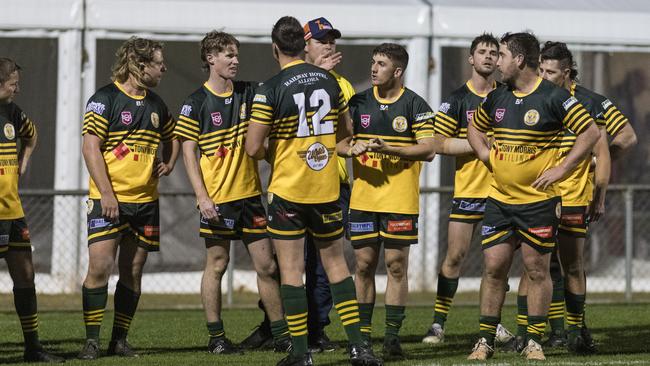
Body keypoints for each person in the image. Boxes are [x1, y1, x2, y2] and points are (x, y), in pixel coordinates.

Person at [245, 16, 382, 366]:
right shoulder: (331, 82)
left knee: (291, 272)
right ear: (302, 45)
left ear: (275, 48)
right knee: (336, 266)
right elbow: (344, 134)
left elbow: (252, 148)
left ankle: (302, 353)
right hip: (326, 189)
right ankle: (359, 348)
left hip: (289, 189)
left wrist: (275, 147)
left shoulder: (270, 88)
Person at [466, 32, 600, 361]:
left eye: (501, 55)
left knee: (537, 270)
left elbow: (590, 133)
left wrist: (563, 169)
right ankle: (484, 341)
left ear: (519, 60)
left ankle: (534, 341)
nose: (496, 61)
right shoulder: (498, 97)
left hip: (538, 203)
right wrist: (485, 155)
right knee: (493, 268)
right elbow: (474, 126)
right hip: (499, 201)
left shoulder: (553, 96)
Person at [174, 30, 290, 355]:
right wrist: (202, 196)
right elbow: (188, 153)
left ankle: (280, 335)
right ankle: (217, 338)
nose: (235, 60)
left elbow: (279, 91)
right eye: (228, 55)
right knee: (217, 263)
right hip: (218, 199)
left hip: (251, 196)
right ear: (210, 58)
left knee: (267, 267)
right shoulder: (195, 103)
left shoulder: (251, 92)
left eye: (236, 55)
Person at [78, 37, 179, 359]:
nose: (163, 67)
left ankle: (119, 339)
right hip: (109, 201)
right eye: (158, 62)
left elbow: (172, 135)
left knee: (132, 271)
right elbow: (89, 147)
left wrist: (170, 161)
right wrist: (107, 193)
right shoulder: (105, 99)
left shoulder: (156, 104)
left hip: (146, 202)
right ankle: (91, 340)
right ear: (139, 64)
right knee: (99, 268)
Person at [532, 41, 636, 353]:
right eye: (540, 70)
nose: (544, 76)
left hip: (575, 196)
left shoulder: (591, 101)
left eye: (551, 71)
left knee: (571, 265)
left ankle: (577, 328)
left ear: (567, 72)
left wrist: (591, 166)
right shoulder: (536, 99)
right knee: (543, 266)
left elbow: (627, 137)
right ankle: (555, 331)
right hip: (539, 195)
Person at [422, 33, 512, 346]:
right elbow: (437, 143)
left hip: (503, 193)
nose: (488, 57)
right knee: (454, 257)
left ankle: (494, 324)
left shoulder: (509, 96)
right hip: (468, 192)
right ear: (471, 59)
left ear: (500, 60)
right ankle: (437, 323)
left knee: (497, 264)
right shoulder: (457, 99)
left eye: (493, 52)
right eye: (482, 52)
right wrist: (479, 145)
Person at [347, 43, 435, 358]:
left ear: (397, 71)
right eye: (373, 62)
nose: (373, 68)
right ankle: (363, 338)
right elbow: (341, 142)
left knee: (396, 267)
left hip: (400, 201)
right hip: (363, 200)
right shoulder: (357, 103)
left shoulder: (415, 104)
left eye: (381, 64)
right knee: (364, 265)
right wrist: (350, 149)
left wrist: (391, 150)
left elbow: (429, 149)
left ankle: (392, 338)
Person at [0, 58, 64, 363]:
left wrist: (23, 161)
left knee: (25, 277)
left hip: (13, 212)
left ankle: (32, 347)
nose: (17, 87)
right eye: (13, 82)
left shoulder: (13, 112)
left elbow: (32, 134)